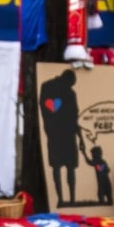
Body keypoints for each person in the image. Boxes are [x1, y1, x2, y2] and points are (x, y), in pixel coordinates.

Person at [39, 69, 81, 207]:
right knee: (64, 167)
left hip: (58, 133)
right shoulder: (66, 92)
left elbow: (75, 115)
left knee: (63, 167)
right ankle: (68, 199)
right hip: (61, 133)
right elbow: (74, 116)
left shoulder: (48, 87)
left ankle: (65, 199)